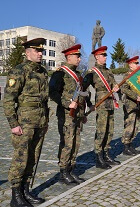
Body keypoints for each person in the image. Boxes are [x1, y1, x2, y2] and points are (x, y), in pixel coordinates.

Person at [4, 38, 48, 206]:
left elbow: (44, 100)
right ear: (27, 52)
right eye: (37, 51)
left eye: (41, 51)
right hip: (24, 122)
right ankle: (16, 195)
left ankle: (26, 190)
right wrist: (13, 123)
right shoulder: (19, 71)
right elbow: (8, 100)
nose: (40, 53)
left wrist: (46, 121)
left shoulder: (42, 72)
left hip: (40, 121)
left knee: (33, 157)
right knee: (21, 158)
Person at [49, 44, 87, 185]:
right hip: (66, 115)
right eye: (77, 56)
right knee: (67, 143)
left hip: (77, 114)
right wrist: (66, 103)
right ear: (69, 57)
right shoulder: (60, 73)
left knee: (76, 143)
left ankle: (71, 169)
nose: (79, 59)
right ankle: (63, 172)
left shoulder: (77, 75)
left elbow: (81, 95)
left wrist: (83, 113)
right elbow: (52, 92)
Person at [83, 46, 121, 169]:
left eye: (106, 55)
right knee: (101, 131)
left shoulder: (109, 71)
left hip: (110, 103)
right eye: (103, 55)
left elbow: (114, 84)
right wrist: (89, 104)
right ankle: (99, 157)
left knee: (110, 131)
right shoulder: (92, 72)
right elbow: (83, 89)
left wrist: (116, 88)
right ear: (97, 57)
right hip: (101, 104)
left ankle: (106, 153)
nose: (105, 57)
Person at [120, 56, 140, 156]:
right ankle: (126, 146)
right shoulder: (127, 75)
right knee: (129, 125)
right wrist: (135, 96)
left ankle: (130, 144)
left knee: (135, 126)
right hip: (130, 104)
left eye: (138, 63)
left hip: (137, 104)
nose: (137, 65)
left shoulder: (137, 75)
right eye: (135, 63)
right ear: (130, 65)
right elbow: (123, 89)